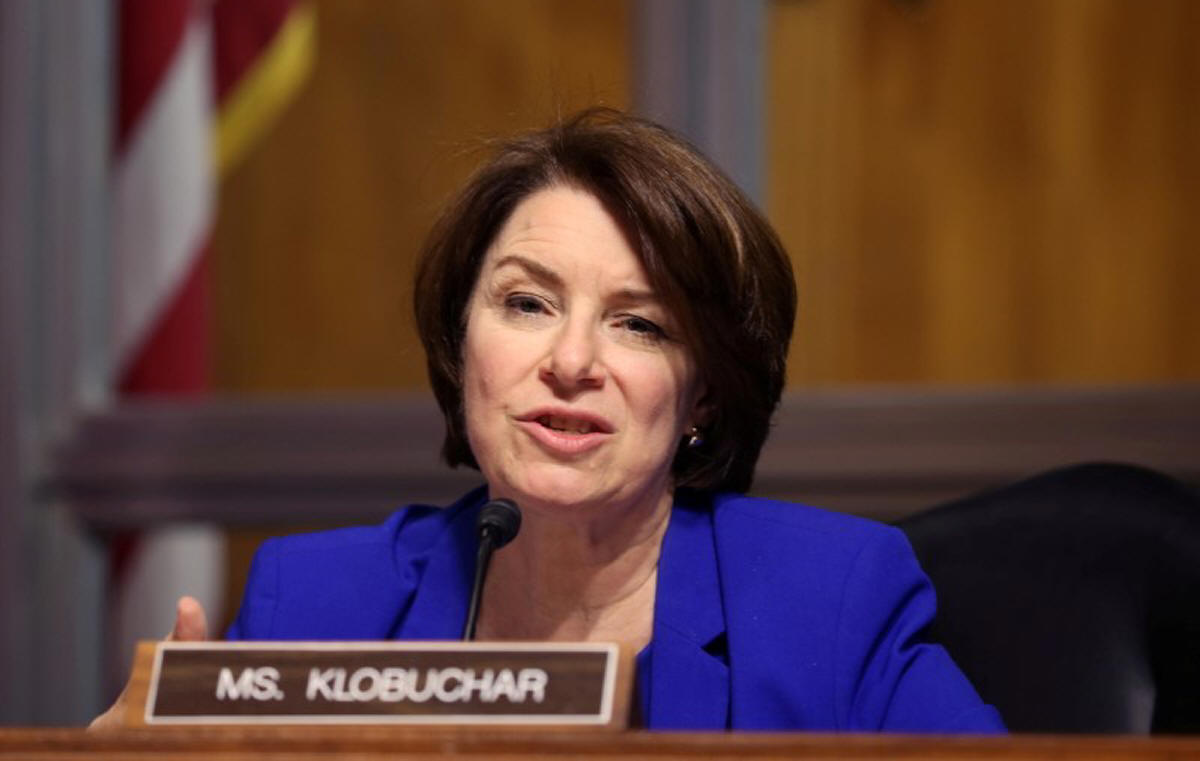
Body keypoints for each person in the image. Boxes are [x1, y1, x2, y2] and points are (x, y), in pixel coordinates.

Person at [94, 108, 1004, 732]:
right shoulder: (318, 602)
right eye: (527, 304)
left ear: (704, 395)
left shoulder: (828, 600)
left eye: (640, 324)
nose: (571, 361)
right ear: (462, 347)